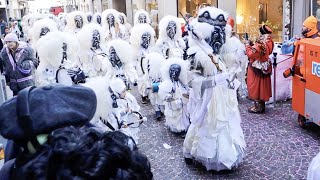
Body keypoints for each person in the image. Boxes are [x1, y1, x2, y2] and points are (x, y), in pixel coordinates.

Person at [245, 25, 274, 113]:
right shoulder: (270, 41)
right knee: (262, 87)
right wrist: (252, 45)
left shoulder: (261, 43)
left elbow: (251, 54)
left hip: (256, 68)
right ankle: (262, 105)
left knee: (255, 86)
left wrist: (247, 45)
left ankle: (257, 107)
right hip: (265, 66)